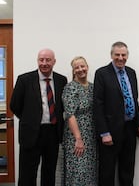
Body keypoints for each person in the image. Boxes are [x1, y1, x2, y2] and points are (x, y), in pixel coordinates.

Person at [10, 48, 67, 186]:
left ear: (54, 61)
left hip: (53, 133)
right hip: (31, 133)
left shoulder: (61, 80)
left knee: (49, 172)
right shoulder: (24, 80)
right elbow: (15, 105)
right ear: (37, 60)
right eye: (41, 59)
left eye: (48, 60)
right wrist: (30, 120)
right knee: (27, 174)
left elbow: (62, 106)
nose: (44, 63)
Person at [93, 41, 139, 186]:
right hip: (110, 130)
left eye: (123, 55)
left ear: (127, 55)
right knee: (107, 171)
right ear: (111, 55)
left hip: (129, 128)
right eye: (117, 55)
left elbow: (134, 100)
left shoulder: (131, 73)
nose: (120, 58)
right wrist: (104, 132)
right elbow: (98, 105)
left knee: (127, 170)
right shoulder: (102, 73)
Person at [62, 56, 97, 185]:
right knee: (78, 172)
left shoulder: (93, 87)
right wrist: (78, 139)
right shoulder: (70, 88)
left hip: (91, 137)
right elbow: (70, 115)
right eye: (77, 67)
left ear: (87, 67)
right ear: (73, 71)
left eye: (83, 66)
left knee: (90, 172)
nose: (80, 69)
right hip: (76, 137)